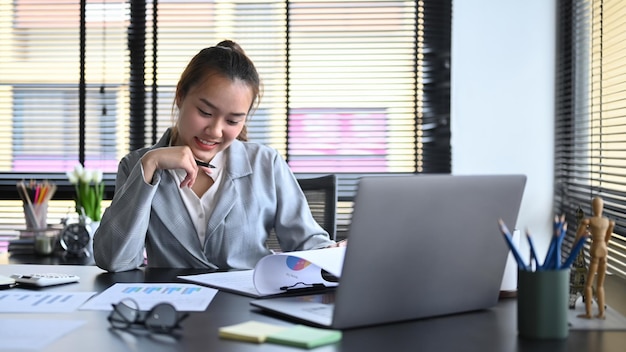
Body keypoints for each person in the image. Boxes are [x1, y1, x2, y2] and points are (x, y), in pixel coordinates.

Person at [94, 40, 343, 272]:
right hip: (170, 307)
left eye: (233, 120)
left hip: (247, 308)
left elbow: (308, 243)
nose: (214, 131)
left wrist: (335, 253)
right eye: (205, 112)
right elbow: (114, 260)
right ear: (180, 95)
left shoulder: (266, 163)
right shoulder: (136, 166)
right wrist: (150, 165)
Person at [574, 196, 615, 319]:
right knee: (600, 285)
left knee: (588, 284)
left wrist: (574, 248)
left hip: (595, 248)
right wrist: (604, 245)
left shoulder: (589, 221)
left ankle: (589, 313)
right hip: (604, 250)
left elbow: (578, 238)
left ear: (593, 207)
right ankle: (601, 312)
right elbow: (608, 238)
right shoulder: (607, 221)